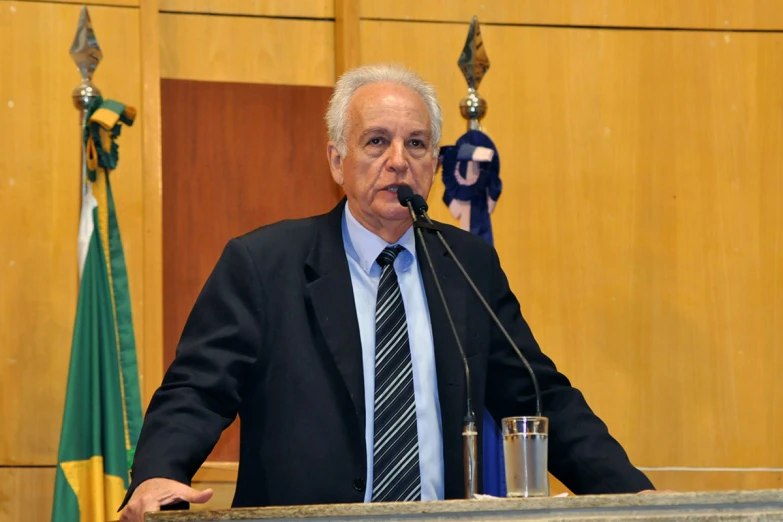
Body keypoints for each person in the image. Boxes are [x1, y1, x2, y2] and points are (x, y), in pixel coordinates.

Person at [119, 64, 653, 521]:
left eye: (416, 144)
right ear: (336, 161)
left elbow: (541, 397)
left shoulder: (466, 266)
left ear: (435, 167)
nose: (398, 160)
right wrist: (158, 476)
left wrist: (639, 501)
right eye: (376, 141)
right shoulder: (264, 263)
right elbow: (196, 389)